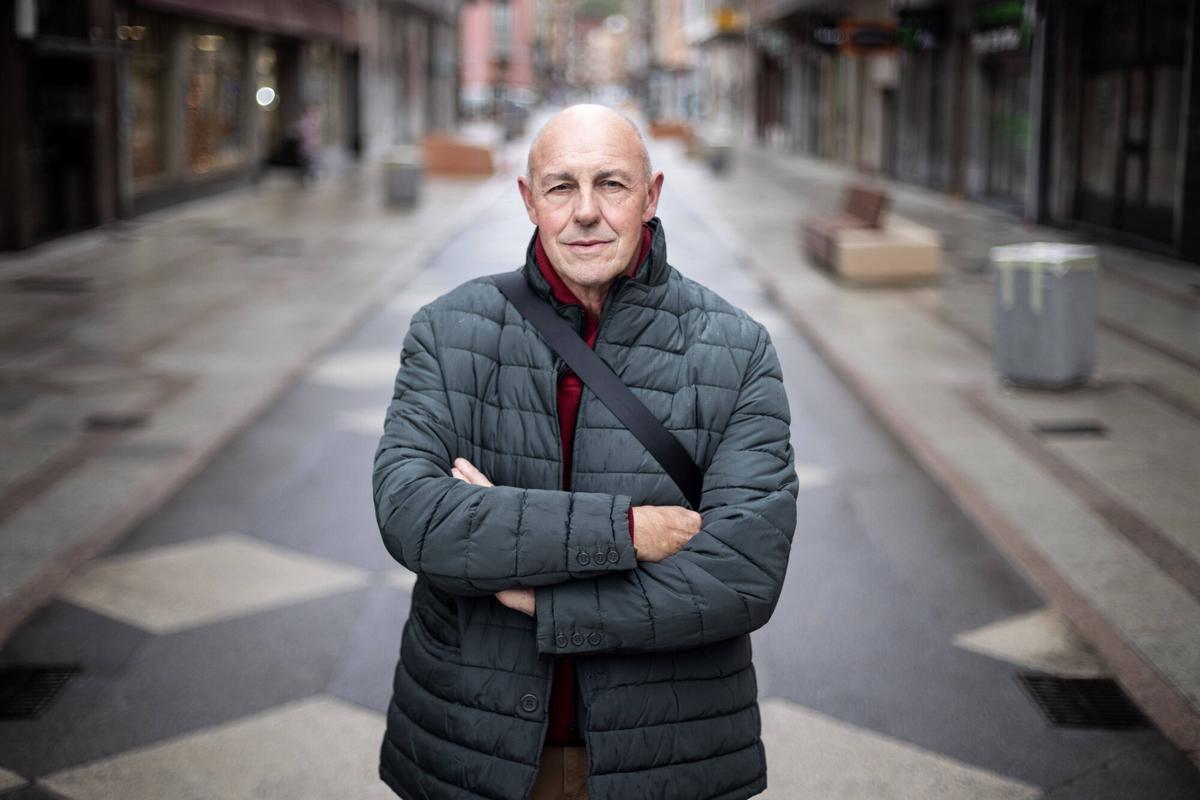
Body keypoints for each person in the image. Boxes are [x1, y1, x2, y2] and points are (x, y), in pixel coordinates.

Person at [373, 104, 798, 800]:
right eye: (561, 186)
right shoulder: (447, 331)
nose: (586, 212)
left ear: (651, 195)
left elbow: (744, 575)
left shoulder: (737, 348)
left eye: (612, 184)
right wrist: (628, 531)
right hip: (472, 749)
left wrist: (542, 598)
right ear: (529, 199)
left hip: (669, 758)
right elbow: (412, 514)